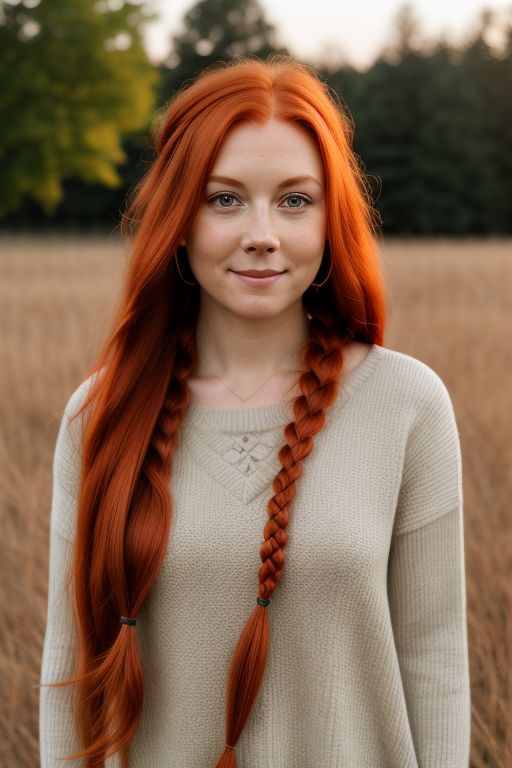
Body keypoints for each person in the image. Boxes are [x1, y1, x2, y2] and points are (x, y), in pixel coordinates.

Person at [39, 56, 471, 767]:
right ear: (179, 219)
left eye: (296, 201)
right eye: (225, 199)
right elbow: (67, 669)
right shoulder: (101, 415)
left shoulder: (407, 406)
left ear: (332, 220)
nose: (262, 233)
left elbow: (434, 660)